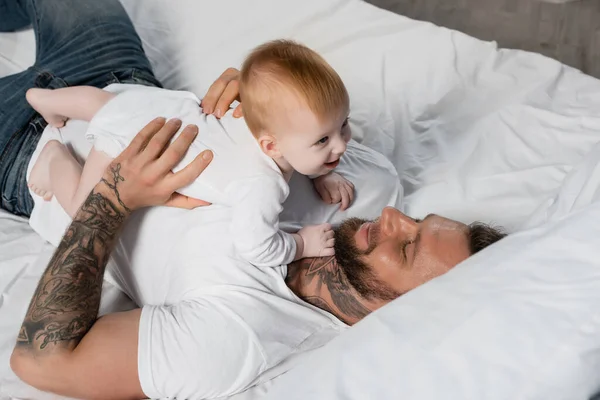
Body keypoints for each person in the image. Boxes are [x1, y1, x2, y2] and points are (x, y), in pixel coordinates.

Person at [0, 0, 506, 398]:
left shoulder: (238, 338)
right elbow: (308, 125)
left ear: (401, 312)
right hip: (128, 92)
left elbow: (42, 362)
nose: (394, 217)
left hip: (25, 150)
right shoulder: (370, 188)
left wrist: (113, 198)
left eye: (406, 247)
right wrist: (266, 97)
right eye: (417, 220)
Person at [24, 40, 355, 266]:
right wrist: (301, 246)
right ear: (271, 147)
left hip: (163, 107)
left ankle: (46, 100)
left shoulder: (251, 114)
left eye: (344, 125)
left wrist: (324, 169)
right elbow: (257, 246)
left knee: (104, 104)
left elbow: (301, 147)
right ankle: (55, 157)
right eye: (323, 141)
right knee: (84, 209)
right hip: (133, 143)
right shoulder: (262, 185)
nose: (342, 144)